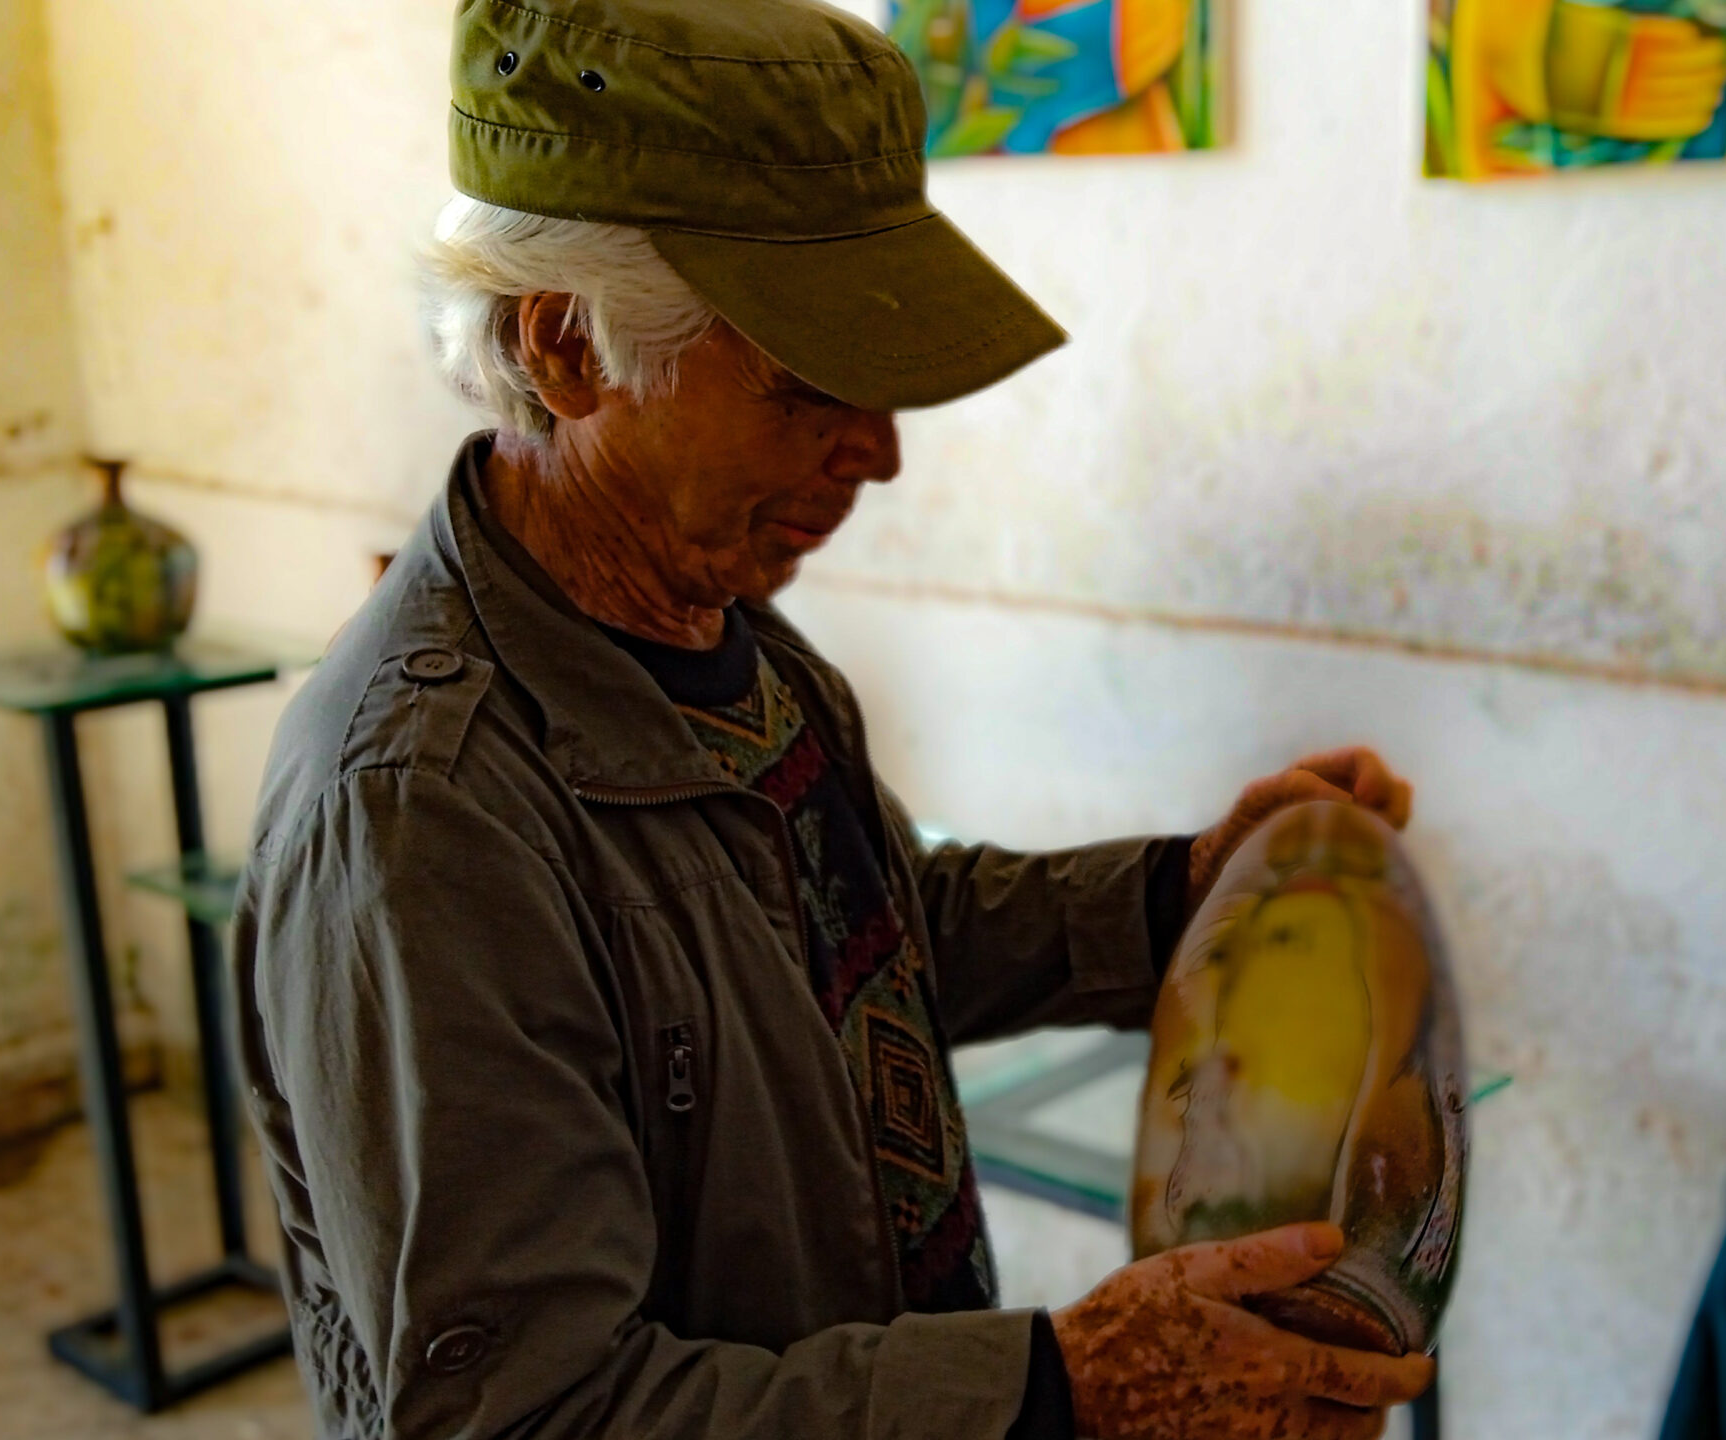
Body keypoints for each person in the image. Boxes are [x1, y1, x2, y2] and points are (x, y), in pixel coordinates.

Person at [231, 1, 1432, 1436]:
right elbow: (533, 1414)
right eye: (810, 386)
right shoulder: (422, 817)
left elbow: (859, 948)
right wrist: (1061, 1385)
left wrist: (1184, 891)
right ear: (567, 351)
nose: (879, 452)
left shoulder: (728, 638)